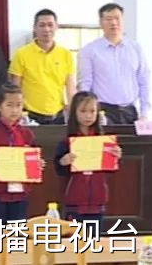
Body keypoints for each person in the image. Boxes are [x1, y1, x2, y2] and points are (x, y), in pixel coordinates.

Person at [0, 84, 45, 236]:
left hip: (21, 194)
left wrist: (38, 164)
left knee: (17, 236)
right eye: (10, 105)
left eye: (18, 105)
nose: (14, 110)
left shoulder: (27, 135)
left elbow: (33, 160)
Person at [54, 91, 122, 225]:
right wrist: (63, 161)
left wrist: (116, 157)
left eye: (92, 111)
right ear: (74, 112)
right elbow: (59, 170)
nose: (88, 116)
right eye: (83, 111)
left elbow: (110, 171)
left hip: (98, 201)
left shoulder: (103, 141)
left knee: (94, 237)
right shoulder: (67, 142)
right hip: (75, 203)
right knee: (76, 237)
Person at [78, 3, 150, 124]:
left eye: (117, 18)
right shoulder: (89, 50)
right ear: (101, 22)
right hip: (103, 112)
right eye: (108, 19)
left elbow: (144, 82)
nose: (114, 23)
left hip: (130, 111)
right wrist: (86, 112)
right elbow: (85, 84)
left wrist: (144, 114)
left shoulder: (135, 48)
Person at [9, 9, 76, 124]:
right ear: (34, 28)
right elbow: (15, 87)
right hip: (30, 116)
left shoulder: (66, 54)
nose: (46, 29)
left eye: (50, 25)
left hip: (58, 116)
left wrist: (73, 111)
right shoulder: (21, 54)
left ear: (56, 27)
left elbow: (70, 88)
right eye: (42, 25)